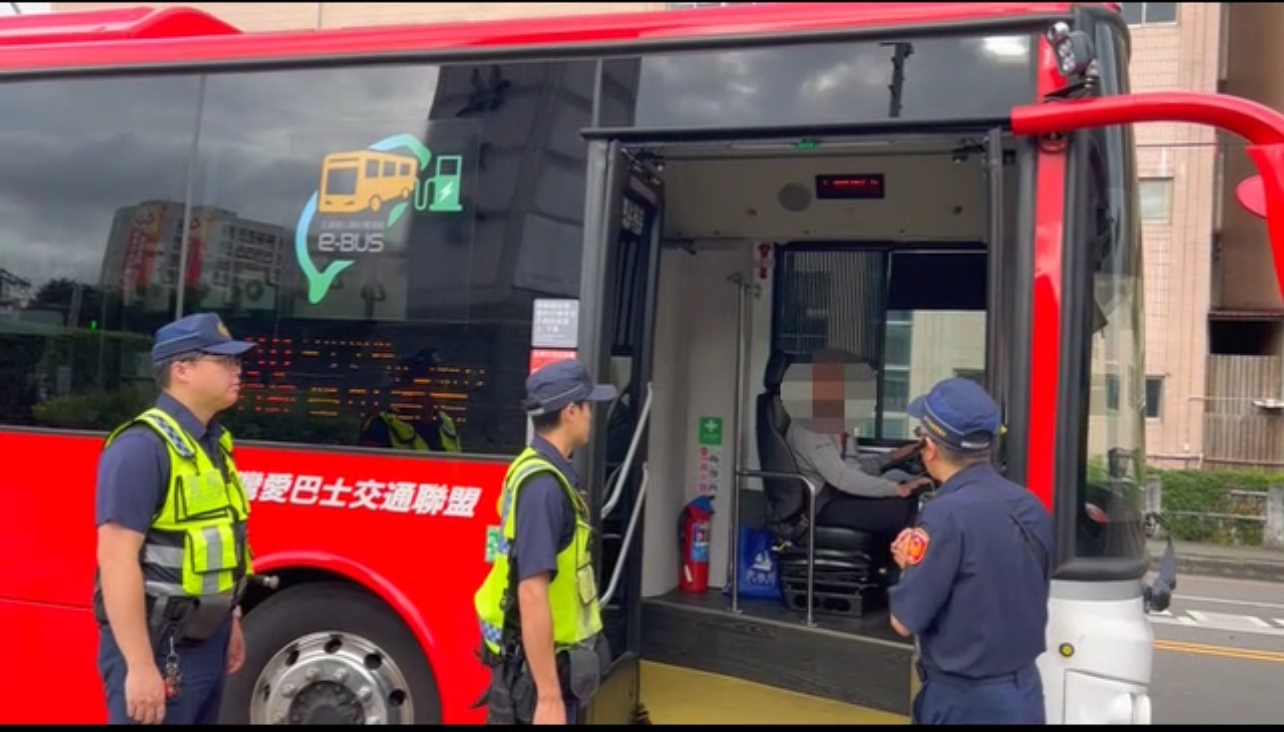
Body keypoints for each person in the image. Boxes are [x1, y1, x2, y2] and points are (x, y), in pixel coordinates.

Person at [95, 313, 257, 725]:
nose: (237, 370)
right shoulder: (140, 448)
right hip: (158, 647)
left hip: (208, 641)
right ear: (181, 370)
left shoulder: (212, 443)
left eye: (236, 361)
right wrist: (139, 666)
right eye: (224, 360)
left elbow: (222, 542)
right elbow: (116, 560)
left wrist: (231, 619)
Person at [887, 377, 1054, 725]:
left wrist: (909, 566)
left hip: (963, 702)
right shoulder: (1030, 505)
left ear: (929, 448)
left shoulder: (944, 515)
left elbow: (904, 621)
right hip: (1025, 693)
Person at [474, 359, 617, 725]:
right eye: (588, 406)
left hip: (542, 666)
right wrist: (549, 697)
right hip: (540, 677)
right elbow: (532, 591)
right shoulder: (544, 488)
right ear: (570, 412)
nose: (591, 416)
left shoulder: (538, 469)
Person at [783, 350, 931, 545]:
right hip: (823, 505)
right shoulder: (809, 428)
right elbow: (842, 477)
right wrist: (897, 489)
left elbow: (853, 466)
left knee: (909, 502)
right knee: (905, 512)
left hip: (840, 495)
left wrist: (891, 457)